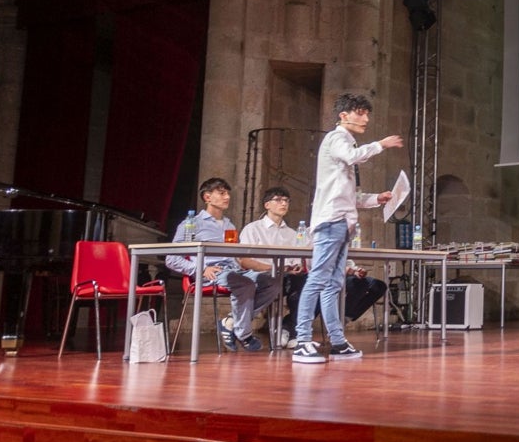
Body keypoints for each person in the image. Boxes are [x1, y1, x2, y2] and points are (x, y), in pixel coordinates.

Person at [293, 93, 403, 364]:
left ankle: (338, 341)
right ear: (344, 115)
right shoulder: (337, 138)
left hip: (342, 222)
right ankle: (302, 340)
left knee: (333, 284)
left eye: (367, 113)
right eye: (360, 112)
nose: (366, 118)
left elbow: (350, 196)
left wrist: (377, 198)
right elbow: (353, 156)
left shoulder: (346, 144)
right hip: (331, 221)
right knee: (318, 279)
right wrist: (381, 144)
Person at [166, 177, 278, 352]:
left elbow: (232, 253)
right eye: (221, 193)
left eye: (228, 193)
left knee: (272, 282)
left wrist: (241, 264)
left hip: (233, 271)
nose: (227, 197)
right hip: (211, 272)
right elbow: (172, 258)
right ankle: (245, 334)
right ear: (207, 197)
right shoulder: (192, 223)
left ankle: (230, 322)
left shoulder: (229, 224)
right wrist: (200, 268)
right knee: (245, 284)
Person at [239, 185, 309, 348]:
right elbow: (244, 261)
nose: (283, 204)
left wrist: (295, 267)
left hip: (287, 277)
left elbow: (296, 260)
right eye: (278, 200)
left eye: (286, 200)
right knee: (293, 283)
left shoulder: (292, 233)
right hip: (262, 277)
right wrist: (273, 269)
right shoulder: (253, 228)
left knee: (306, 282)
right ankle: (289, 331)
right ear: (267, 205)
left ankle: (292, 331)